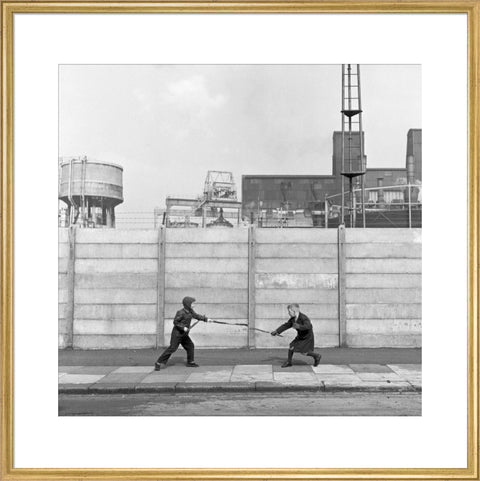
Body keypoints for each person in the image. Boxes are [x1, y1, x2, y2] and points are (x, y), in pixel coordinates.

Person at [154, 296, 208, 370]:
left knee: (190, 346)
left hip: (184, 335)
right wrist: (183, 327)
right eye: (193, 303)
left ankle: (190, 362)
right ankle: (158, 362)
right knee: (172, 348)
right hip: (177, 334)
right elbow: (175, 322)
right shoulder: (181, 312)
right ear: (188, 304)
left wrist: (206, 319)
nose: (194, 305)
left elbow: (197, 316)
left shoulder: (191, 311)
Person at [271, 303, 321, 368]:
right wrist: (277, 331)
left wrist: (299, 326)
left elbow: (308, 326)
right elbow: (286, 325)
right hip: (300, 336)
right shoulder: (293, 319)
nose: (288, 313)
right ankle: (289, 362)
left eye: (289, 311)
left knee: (304, 353)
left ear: (294, 311)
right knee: (291, 346)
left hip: (307, 337)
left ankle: (317, 356)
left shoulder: (303, 318)